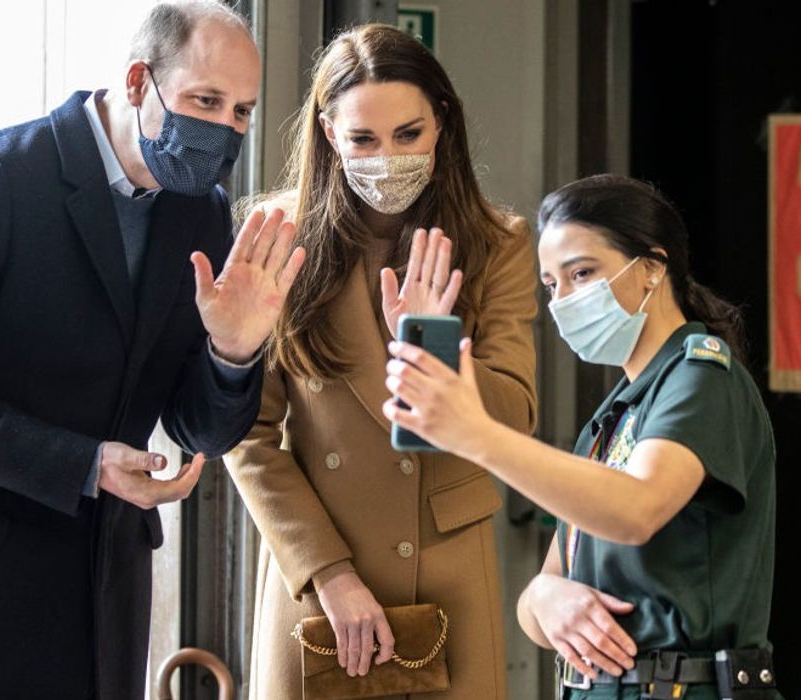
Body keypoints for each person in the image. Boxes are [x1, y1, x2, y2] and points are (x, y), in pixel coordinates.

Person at [0, 2, 305, 698]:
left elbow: (197, 425)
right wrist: (84, 463)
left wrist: (233, 352)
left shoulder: (203, 212)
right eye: (204, 100)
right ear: (134, 82)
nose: (223, 130)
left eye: (241, 111)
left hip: (102, 585)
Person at [224, 23, 538, 700]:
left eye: (408, 134)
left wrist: (426, 342)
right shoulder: (278, 238)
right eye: (363, 138)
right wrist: (328, 573)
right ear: (329, 132)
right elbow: (244, 433)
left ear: (441, 127)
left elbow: (514, 416)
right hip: (317, 567)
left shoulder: (495, 243)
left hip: (446, 570)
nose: (387, 157)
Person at [384, 174, 778, 700]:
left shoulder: (700, 377)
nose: (563, 299)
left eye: (582, 272)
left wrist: (477, 435)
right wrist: (545, 595)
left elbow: (636, 509)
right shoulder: (616, 411)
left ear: (653, 269)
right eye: (551, 284)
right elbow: (541, 593)